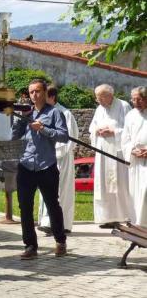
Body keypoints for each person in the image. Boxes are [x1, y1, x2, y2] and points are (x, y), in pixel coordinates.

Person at [11, 79, 69, 260]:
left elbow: (64, 136)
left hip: (47, 165)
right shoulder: (24, 112)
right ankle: (30, 246)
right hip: (26, 165)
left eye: (37, 91)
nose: (34, 95)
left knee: (52, 204)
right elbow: (14, 136)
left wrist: (43, 129)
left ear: (45, 92)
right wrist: (22, 119)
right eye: (31, 92)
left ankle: (60, 241)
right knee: (25, 207)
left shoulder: (55, 113)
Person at [88, 84, 132, 228]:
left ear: (109, 95)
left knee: (120, 184)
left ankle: (125, 216)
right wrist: (97, 130)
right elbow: (92, 126)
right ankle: (107, 217)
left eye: (100, 97)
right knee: (103, 185)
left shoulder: (123, 106)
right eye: (97, 98)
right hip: (103, 152)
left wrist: (113, 131)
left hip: (117, 152)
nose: (98, 100)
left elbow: (130, 128)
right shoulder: (99, 109)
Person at [37, 85, 79, 234]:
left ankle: (60, 224)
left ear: (52, 97)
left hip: (60, 159)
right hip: (46, 158)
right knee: (45, 190)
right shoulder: (43, 112)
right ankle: (46, 221)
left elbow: (68, 139)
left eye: (43, 96)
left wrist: (54, 153)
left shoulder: (65, 114)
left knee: (59, 191)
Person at [121, 87, 147, 227]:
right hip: (136, 160)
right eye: (133, 99)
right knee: (136, 192)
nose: (136, 102)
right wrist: (131, 150)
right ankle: (138, 222)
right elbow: (125, 138)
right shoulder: (130, 115)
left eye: (139, 99)